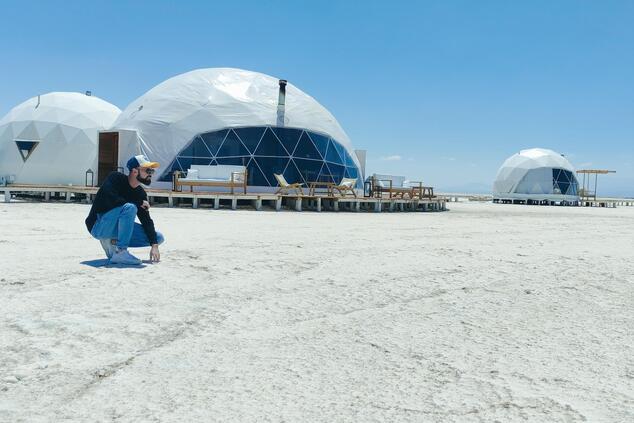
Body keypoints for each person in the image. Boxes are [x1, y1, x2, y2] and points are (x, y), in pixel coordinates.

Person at [85, 154, 165, 265]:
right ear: (134, 171)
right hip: (99, 226)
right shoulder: (115, 178)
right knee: (130, 208)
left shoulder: (140, 193)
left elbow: (146, 220)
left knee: (158, 238)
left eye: (151, 171)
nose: (150, 174)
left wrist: (154, 246)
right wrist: (138, 203)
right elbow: (110, 199)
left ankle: (113, 242)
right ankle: (121, 251)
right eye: (147, 170)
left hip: (117, 230)